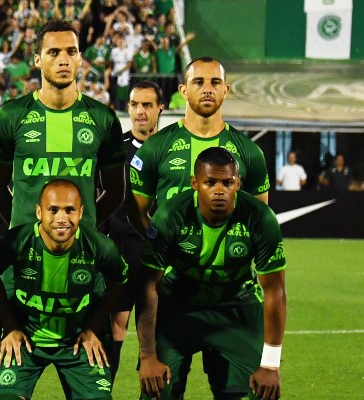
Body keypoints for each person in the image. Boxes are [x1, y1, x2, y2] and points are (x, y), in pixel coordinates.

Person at [136, 147, 286, 400]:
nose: (219, 190)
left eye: (227, 182)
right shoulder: (170, 215)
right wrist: (148, 355)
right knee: (158, 391)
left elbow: (275, 290)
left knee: (259, 392)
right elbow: (147, 285)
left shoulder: (260, 218)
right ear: (195, 183)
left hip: (235, 308)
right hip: (178, 308)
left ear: (238, 183)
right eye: (210, 182)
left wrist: (270, 364)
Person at [0, 179, 128, 400]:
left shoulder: (100, 246)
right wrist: (10, 325)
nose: (62, 219)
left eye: (69, 210)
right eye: (53, 210)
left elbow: (119, 280)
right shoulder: (17, 241)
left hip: (77, 343)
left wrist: (93, 327)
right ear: (39, 212)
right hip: (26, 340)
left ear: (81, 212)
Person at [0, 19, 125, 232]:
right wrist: (23, 231)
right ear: (37, 60)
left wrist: (83, 227)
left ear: (80, 59)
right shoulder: (10, 115)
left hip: (81, 253)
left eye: (71, 52)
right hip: (27, 252)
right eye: (53, 52)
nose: (64, 60)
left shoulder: (103, 118)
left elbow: (115, 191)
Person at [130, 57, 271, 233]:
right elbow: (137, 213)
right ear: (183, 90)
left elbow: (260, 218)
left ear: (225, 90)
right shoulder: (154, 147)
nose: (207, 90)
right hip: (170, 261)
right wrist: (159, 244)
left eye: (215, 83)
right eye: (198, 82)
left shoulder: (250, 151)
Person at [98, 81, 163, 382]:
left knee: (157, 332)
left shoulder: (169, 150)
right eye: (135, 104)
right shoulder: (114, 152)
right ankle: (103, 389)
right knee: (116, 326)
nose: (140, 111)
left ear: (160, 109)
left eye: (147, 105)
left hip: (157, 252)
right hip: (121, 248)